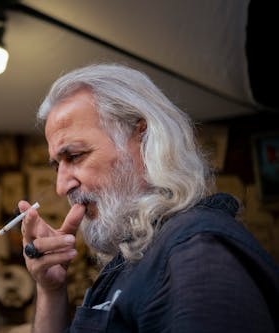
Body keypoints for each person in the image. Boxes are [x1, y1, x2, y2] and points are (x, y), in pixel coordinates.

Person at [18, 63, 279, 333]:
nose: (61, 186)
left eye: (74, 156)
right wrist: (50, 290)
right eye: (56, 165)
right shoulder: (144, 249)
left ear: (142, 138)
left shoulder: (197, 250)